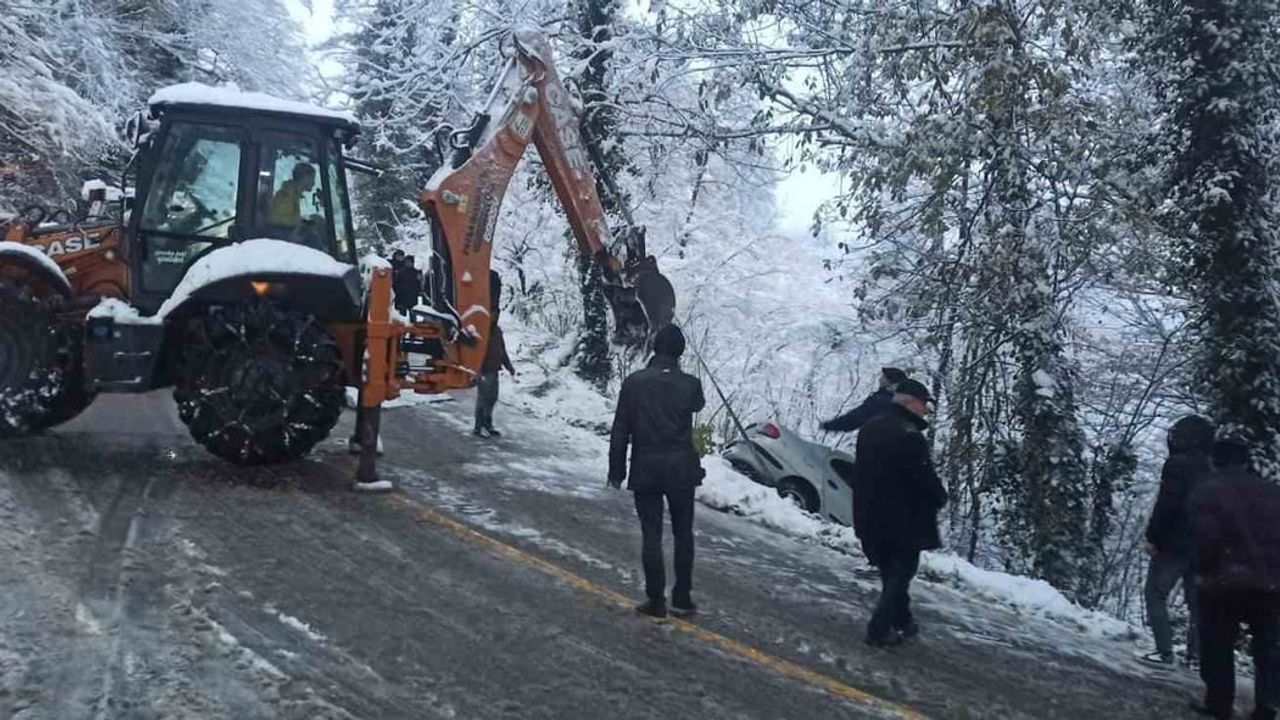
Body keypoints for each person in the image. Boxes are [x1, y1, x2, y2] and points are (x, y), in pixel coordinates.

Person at [608, 324, 706, 619]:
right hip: (680, 468)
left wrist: (617, 469)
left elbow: (620, 430)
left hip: (646, 467)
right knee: (683, 533)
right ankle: (682, 597)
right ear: (680, 352)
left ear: (653, 348)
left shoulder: (634, 383)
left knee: (651, 534)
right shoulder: (690, 384)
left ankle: (655, 600)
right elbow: (698, 404)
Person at [1188, 437, 1280, 720]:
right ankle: (1266, 706)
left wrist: (1201, 570)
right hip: (1269, 583)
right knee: (1268, 647)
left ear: (1216, 460)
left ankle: (1219, 703)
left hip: (1222, 582)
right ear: (1245, 460)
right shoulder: (1272, 492)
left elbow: (1205, 537)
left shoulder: (1207, 491)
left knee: (1217, 642)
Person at [852, 378, 947, 647]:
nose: (926, 409)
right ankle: (878, 630)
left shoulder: (870, 427)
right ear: (907, 401)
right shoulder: (909, 436)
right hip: (902, 521)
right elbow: (924, 478)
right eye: (923, 403)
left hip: (869, 516)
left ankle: (903, 621)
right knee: (901, 573)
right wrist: (940, 497)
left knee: (890, 573)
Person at [1140, 414, 1215, 667]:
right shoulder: (1215, 468)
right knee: (1199, 604)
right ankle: (1196, 658)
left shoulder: (1177, 465)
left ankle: (1164, 652)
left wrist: (1153, 537)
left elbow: (1167, 504)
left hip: (1174, 544)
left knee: (1155, 593)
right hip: (1205, 547)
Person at [820, 367, 910, 433]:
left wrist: (830, 425)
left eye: (883, 378)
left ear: (889, 381)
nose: (879, 380)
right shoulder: (904, 404)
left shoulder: (880, 401)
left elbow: (855, 418)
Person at [474, 311, 515, 438]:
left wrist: (509, 366)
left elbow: (502, 349)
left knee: (492, 398)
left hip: (494, 369)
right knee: (483, 398)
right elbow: (474, 351)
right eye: (492, 314)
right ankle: (478, 427)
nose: (494, 317)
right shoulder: (481, 330)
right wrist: (477, 369)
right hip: (483, 370)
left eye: (496, 315)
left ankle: (488, 424)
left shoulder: (497, 330)